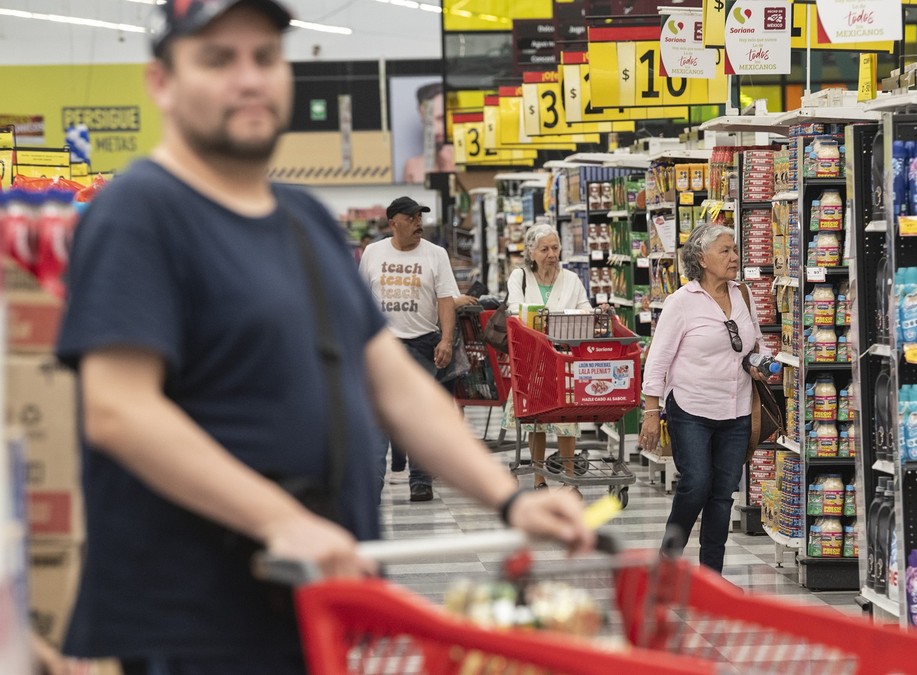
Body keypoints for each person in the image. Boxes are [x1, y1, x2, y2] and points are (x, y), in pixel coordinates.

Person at [53, 3, 592, 674]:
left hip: (310, 607)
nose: (248, 78)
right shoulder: (140, 212)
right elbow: (118, 408)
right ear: (161, 83)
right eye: (218, 59)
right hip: (200, 621)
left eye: (265, 57)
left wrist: (508, 496)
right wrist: (282, 517)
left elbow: (392, 382)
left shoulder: (302, 220)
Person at [638, 223, 768, 574]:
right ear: (701, 258)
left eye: (735, 249)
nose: (734, 257)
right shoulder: (681, 302)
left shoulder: (743, 294)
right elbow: (659, 359)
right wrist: (651, 411)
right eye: (725, 251)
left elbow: (753, 341)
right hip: (691, 408)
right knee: (696, 485)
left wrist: (758, 361)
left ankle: (712, 576)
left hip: (737, 408)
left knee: (723, 494)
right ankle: (667, 564)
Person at [359, 196, 478, 501]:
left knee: (418, 413)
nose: (418, 224)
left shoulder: (435, 254)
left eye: (420, 218)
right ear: (393, 222)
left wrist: (446, 340)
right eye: (410, 218)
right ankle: (372, 482)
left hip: (424, 343)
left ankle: (421, 479)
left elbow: (446, 300)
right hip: (383, 345)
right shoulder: (373, 253)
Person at [504, 224, 592, 491]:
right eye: (544, 249)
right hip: (530, 360)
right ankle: (539, 477)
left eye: (555, 248)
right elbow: (515, 310)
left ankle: (569, 478)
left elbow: (584, 308)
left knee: (568, 421)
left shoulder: (571, 279)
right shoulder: (519, 277)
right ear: (531, 252)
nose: (551, 254)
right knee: (536, 421)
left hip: (563, 359)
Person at [402, 82, 456, 185]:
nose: (435, 130)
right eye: (428, 122)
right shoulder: (412, 167)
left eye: (441, 119)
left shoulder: (474, 164)